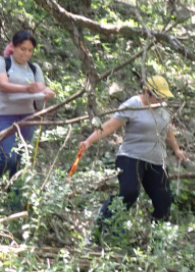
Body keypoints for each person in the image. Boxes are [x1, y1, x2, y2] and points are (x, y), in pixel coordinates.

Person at [79, 75, 186, 231]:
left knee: (164, 201)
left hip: (156, 161)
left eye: (163, 97)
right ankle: (103, 227)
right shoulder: (132, 105)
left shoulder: (163, 110)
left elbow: (167, 131)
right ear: (147, 92)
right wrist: (89, 141)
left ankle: (157, 241)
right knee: (129, 193)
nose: (161, 100)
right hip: (131, 157)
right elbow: (109, 126)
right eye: (158, 96)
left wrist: (176, 149)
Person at [0, 30, 55, 201]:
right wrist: (26, 89)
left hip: (27, 116)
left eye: (29, 50)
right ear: (13, 47)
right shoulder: (1, 62)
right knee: (8, 156)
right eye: (22, 49)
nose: (25, 53)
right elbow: (3, 85)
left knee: (21, 159)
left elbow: (41, 88)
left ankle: (14, 198)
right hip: (2, 115)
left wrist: (47, 92)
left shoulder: (34, 68)